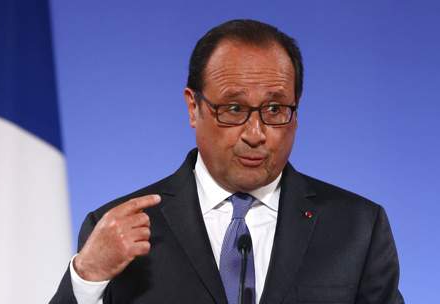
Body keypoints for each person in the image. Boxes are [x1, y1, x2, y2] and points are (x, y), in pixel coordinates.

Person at [51, 19, 404, 304]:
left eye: (275, 109)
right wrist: (87, 276)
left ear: (296, 110)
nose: (256, 132)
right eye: (234, 109)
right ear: (194, 107)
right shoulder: (122, 228)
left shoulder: (357, 228)